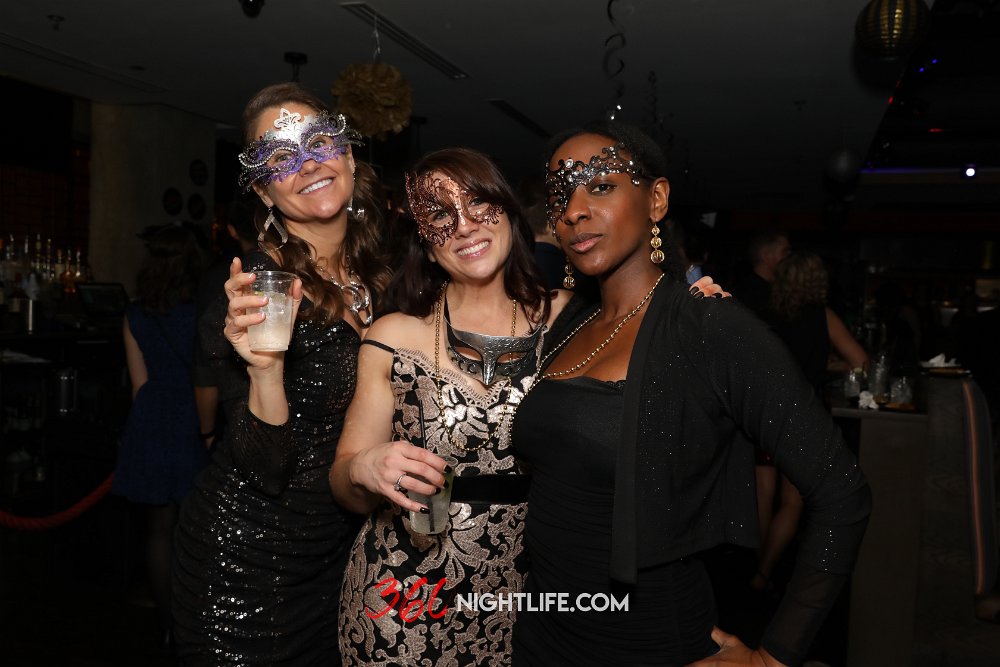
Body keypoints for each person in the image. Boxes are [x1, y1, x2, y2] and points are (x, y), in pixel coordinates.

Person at [509, 120, 871, 666]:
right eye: (561, 194)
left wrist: (775, 655)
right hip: (543, 633)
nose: (574, 209)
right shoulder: (571, 322)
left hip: (644, 642)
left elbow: (843, 492)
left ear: (656, 199)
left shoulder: (709, 327)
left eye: (601, 186)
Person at [172, 82, 390, 666]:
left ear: (347, 155)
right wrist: (265, 370)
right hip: (244, 560)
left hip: (339, 559)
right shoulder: (252, 293)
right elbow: (266, 469)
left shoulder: (386, 274)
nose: (308, 164)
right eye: (279, 158)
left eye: (319, 143)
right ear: (265, 192)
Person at [111, 223, 210, 652]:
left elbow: (139, 387)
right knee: (194, 528)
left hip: (152, 421)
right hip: (191, 419)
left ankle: (168, 625)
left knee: (158, 530)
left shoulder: (135, 314)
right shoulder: (202, 313)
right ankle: (193, 625)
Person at [750, 250, 870, 594]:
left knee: (761, 494)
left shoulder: (762, 314)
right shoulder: (822, 316)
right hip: (802, 417)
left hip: (762, 411)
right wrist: (828, 365)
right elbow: (862, 362)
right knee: (793, 502)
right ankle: (764, 572)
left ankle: (753, 566)